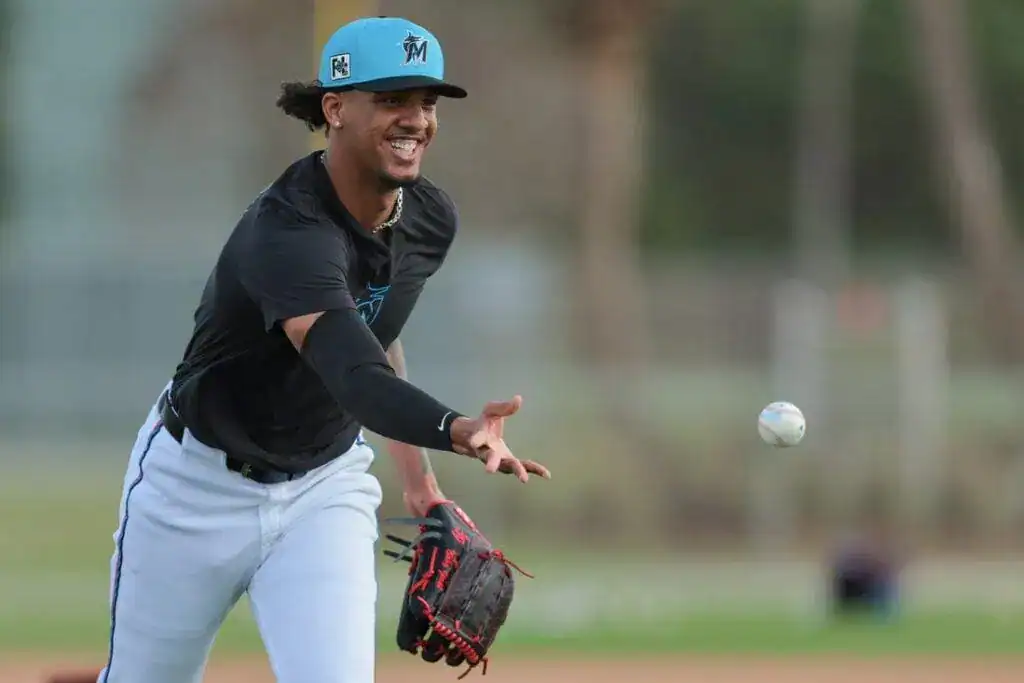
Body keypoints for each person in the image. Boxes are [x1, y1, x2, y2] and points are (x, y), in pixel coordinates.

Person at [86, 15, 550, 683]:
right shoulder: (287, 232)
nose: (416, 118)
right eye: (391, 98)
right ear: (334, 108)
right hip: (192, 489)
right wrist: (455, 427)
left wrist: (421, 487)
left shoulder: (427, 218)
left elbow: (379, 341)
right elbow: (353, 374)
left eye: (426, 100)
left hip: (321, 490)